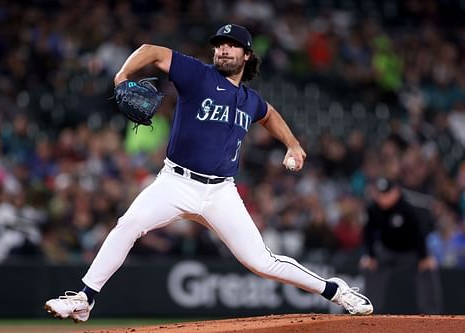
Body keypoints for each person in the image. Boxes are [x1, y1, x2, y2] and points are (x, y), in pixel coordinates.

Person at [45, 24, 373, 322]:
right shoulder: (198, 75)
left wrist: (293, 144)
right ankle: (85, 298)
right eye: (219, 45)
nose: (223, 50)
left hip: (220, 192)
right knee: (128, 225)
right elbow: (151, 51)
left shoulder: (249, 99)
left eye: (232, 45)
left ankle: (334, 290)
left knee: (261, 262)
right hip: (175, 182)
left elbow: (269, 114)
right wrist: (122, 77)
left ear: (247, 55)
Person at [360, 177, 442, 314]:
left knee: (428, 268)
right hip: (386, 251)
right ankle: (369, 309)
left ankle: (431, 313)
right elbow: (368, 234)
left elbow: (418, 234)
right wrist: (370, 256)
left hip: (410, 253)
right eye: (381, 195)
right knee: (369, 266)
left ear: (396, 192)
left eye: (387, 194)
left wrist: (424, 257)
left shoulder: (407, 209)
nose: (383, 199)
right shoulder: (373, 209)